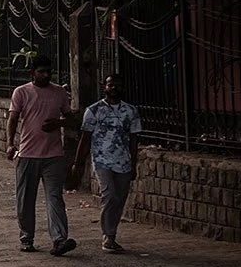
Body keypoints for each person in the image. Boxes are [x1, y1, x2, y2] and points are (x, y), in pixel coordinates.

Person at [7, 56, 76, 255]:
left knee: (55, 197)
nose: (45, 75)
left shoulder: (59, 93)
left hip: (54, 155)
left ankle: (59, 239)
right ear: (33, 73)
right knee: (25, 199)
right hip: (28, 153)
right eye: (41, 72)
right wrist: (10, 144)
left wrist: (59, 123)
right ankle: (26, 237)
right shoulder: (22, 92)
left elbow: (70, 118)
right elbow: (13, 119)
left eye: (48, 72)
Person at [76, 75, 143, 254]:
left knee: (120, 199)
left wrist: (134, 164)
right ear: (104, 87)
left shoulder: (131, 111)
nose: (114, 88)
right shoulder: (94, 110)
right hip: (101, 160)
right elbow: (85, 137)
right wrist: (78, 162)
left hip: (123, 162)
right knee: (110, 195)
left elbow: (134, 139)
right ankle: (107, 235)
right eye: (110, 85)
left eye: (117, 85)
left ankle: (112, 234)